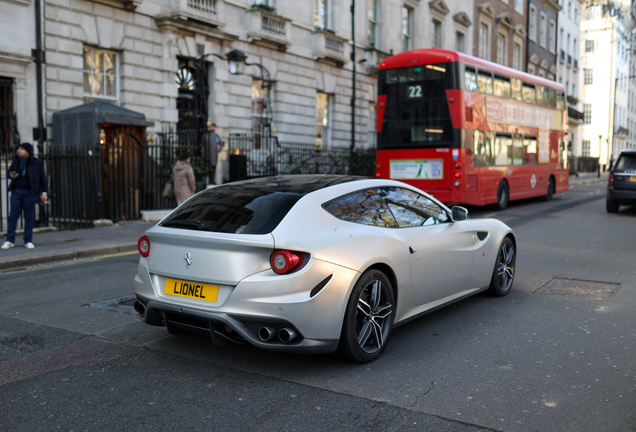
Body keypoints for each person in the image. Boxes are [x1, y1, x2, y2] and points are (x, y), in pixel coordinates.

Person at [2, 143, 48, 249]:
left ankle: (28, 240)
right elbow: (9, 172)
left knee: (29, 217)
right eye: (19, 148)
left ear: (28, 151)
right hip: (16, 192)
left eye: (22, 149)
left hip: (30, 193)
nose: (19, 150)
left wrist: (44, 192)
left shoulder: (36, 162)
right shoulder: (16, 160)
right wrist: (11, 175)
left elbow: (42, 178)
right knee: (13, 217)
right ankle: (9, 240)